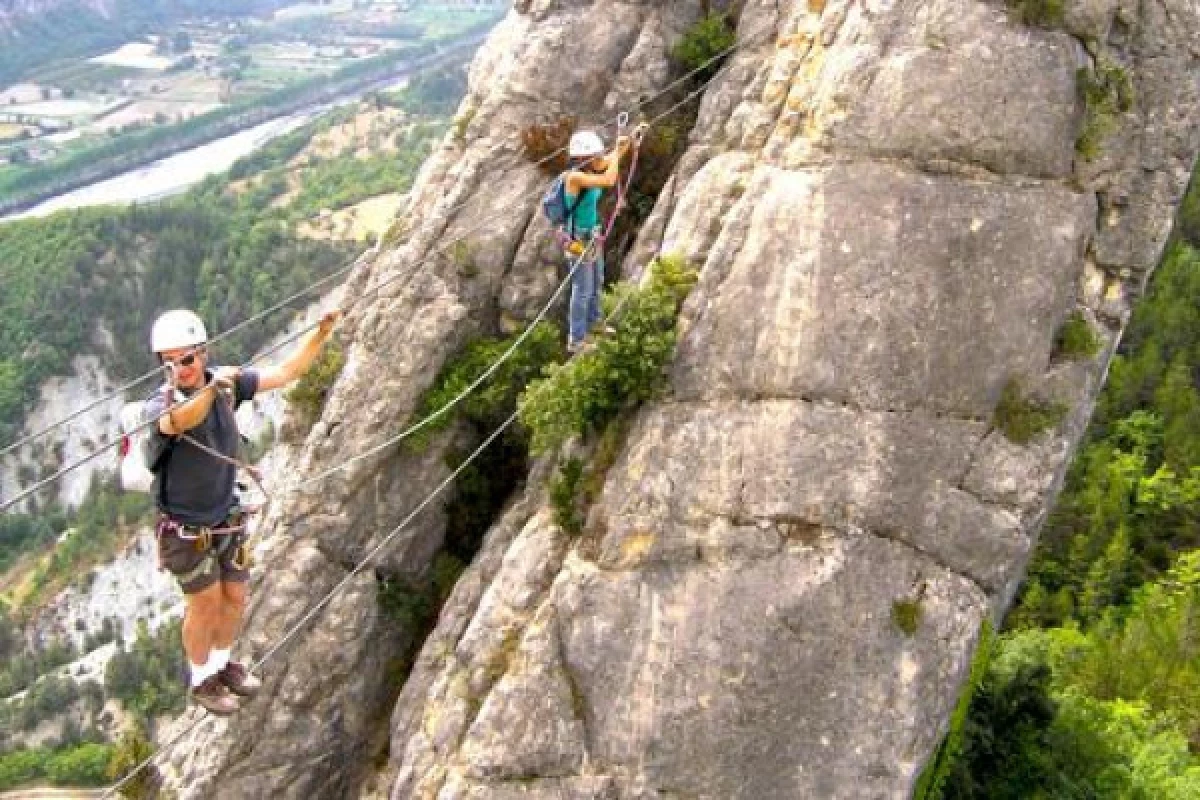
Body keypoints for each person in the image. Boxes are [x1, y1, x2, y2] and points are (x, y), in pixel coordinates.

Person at [143, 308, 341, 715]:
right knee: (205, 602)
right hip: (184, 531)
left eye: (187, 359)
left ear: (203, 352)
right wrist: (215, 385)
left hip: (225, 515)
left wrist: (320, 335)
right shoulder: (159, 408)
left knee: (235, 596)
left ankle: (222, 666)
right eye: (170, 363)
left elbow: (286, 374)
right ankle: (202, 681)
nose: (180, 369)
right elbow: (185, 418)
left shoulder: (227, 386)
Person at [562, 128, 638, 352]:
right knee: (582, 288)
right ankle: (576, 339)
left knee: (597, 281)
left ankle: (595, 323)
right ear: (582, 157)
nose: (597, 158)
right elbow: (608, 178)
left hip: (593, 234)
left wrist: (625, 143)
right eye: (593, 155)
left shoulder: (589, 167)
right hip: (578, 239)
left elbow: (608, 162)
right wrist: (614, 154)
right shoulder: (574, 177)